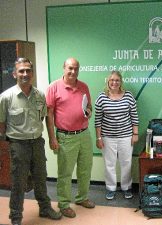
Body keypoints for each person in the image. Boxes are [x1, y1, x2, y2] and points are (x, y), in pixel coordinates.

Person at [0, 58, 62, 225]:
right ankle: (15, 216)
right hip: (18, 144)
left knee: (40, 178)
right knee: (18, 182)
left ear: (32, 73)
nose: (25, 74)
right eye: (21, 71)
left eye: (28, 70)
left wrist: (50, 138)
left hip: (37, 143)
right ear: (14, 74)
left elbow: (43, 117)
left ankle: (45, 208)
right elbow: (1, 123)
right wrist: (7, 145)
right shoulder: (5, 97)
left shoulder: (40, 95)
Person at [46, 57, 95, 218]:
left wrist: (88, 111)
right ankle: (64, 204)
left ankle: (82, 198)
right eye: (70, 68)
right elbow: (49, 114)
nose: (73, 71)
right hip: (65, 137)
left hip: (84, 134)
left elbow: (89, 106)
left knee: (85, 169)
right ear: (64, 68)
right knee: (65, 173)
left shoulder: (84, 86)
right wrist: (52, 138)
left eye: (76, 68)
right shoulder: (54, 87)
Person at [95, 71, 139, 200]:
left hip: (126, 136)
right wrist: (99, 138)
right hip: (107, 137)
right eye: (112, 80)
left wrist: (135, 133)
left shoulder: (128, 96)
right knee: (109, 163)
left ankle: (126, 187)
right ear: (108, 82)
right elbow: (98, 120)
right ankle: (110, 188)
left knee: (126, 163)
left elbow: (134, 116)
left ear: (121, 82)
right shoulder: (101, 97)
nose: (114, 83)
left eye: (117, 80)